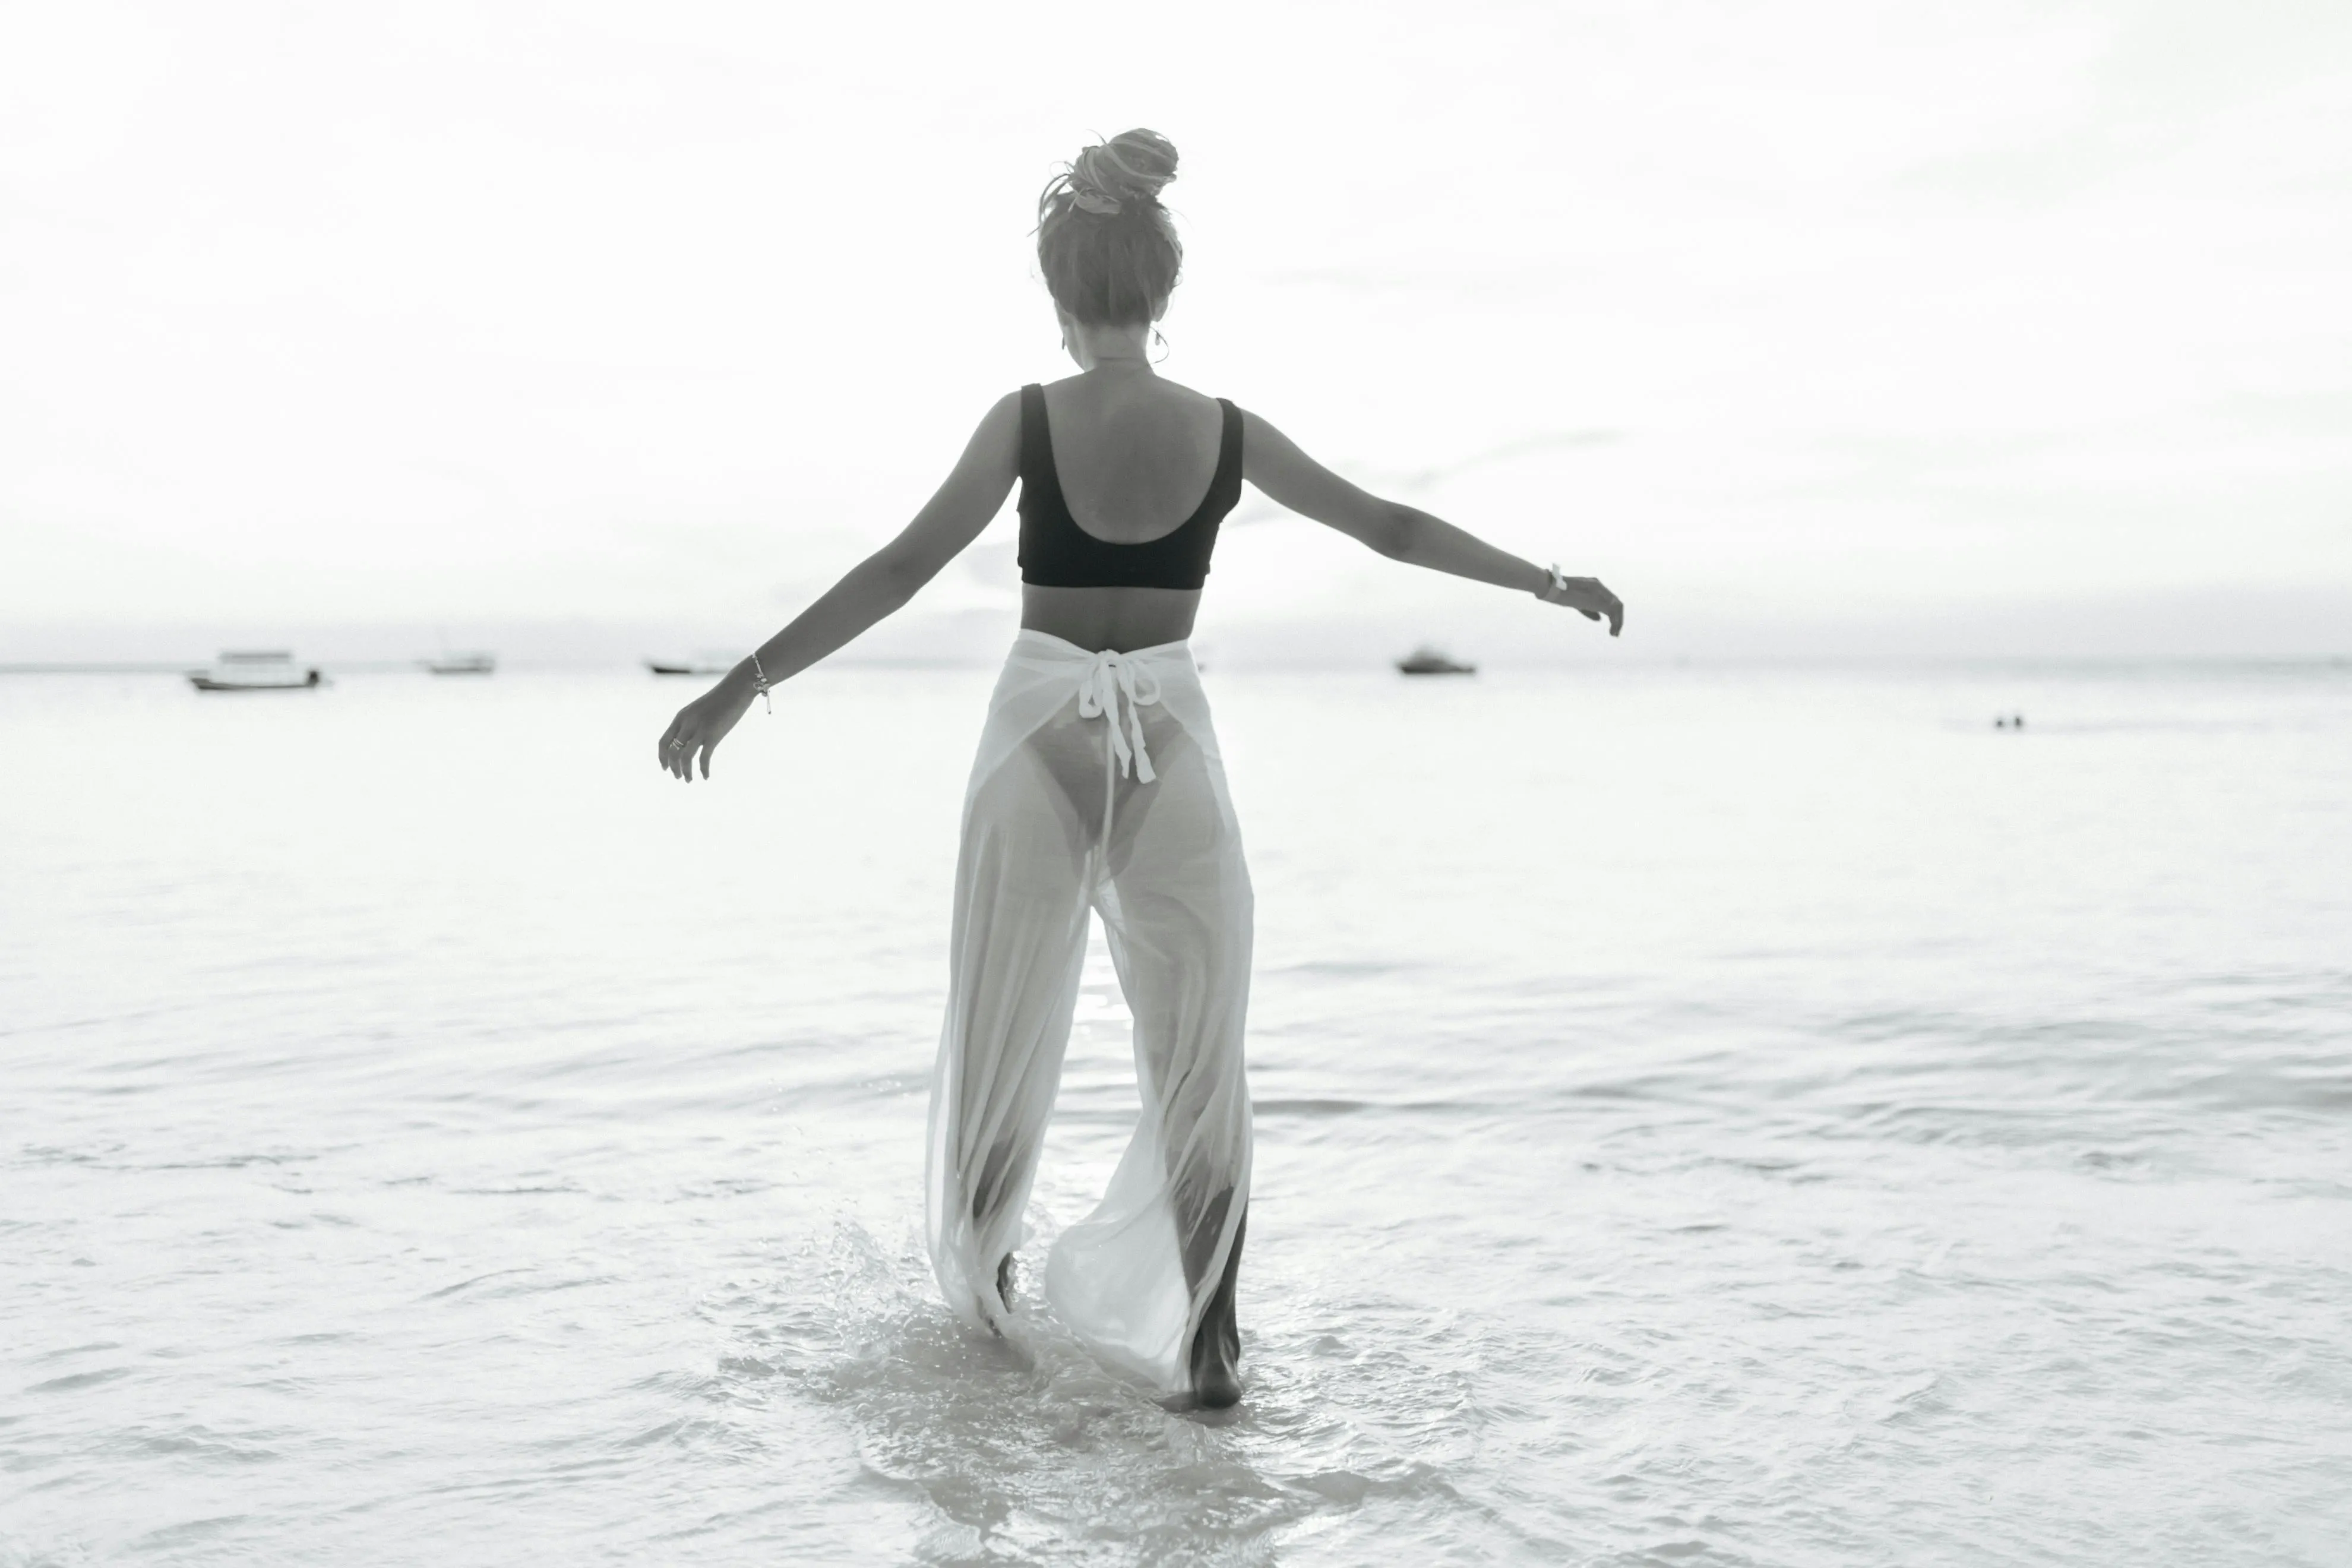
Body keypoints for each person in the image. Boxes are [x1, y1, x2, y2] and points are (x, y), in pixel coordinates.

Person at [655, 129, 1623, 1412]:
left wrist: (743, 682)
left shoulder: (1026, 419)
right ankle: (1213, 1346)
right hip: (1167, 724)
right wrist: (1543, 579)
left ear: (1061, 301)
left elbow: (900, 569)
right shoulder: (1224, 429)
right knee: (1199, 1051)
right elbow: (1387, 526)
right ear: (1162, 299)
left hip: (1036, 720)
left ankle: (988, 1320)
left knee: (1001, 1026)